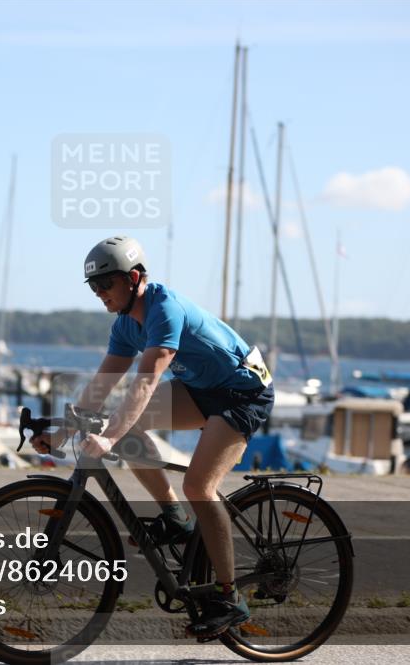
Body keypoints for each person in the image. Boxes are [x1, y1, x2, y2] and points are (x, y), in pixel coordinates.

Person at [31, 236, 275, 639]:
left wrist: (108, 438)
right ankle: (175, 520)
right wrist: (60, 436)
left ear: (134, 278)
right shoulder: (126, 324)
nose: (99, 295)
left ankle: (230, 597)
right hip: (202, 390)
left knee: (198, 485)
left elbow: (144, 385)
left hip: (242, 393)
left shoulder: (165, 310)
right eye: (93, 288)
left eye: (105, 285)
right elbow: (101, 386)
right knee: (129, 428)